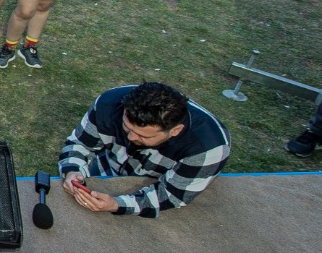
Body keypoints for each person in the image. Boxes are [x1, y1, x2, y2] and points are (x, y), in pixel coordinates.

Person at [59, 82, 231, 217]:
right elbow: (79, 144)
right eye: (127, 128)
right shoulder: (108, 104)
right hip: (103, 169)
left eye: (144, 136)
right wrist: (72, 170)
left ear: (176, 130)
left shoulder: (209, 147)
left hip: (155, 186)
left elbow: (171, 195)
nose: (131, 138)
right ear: (125, 109)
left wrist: (117, 204)